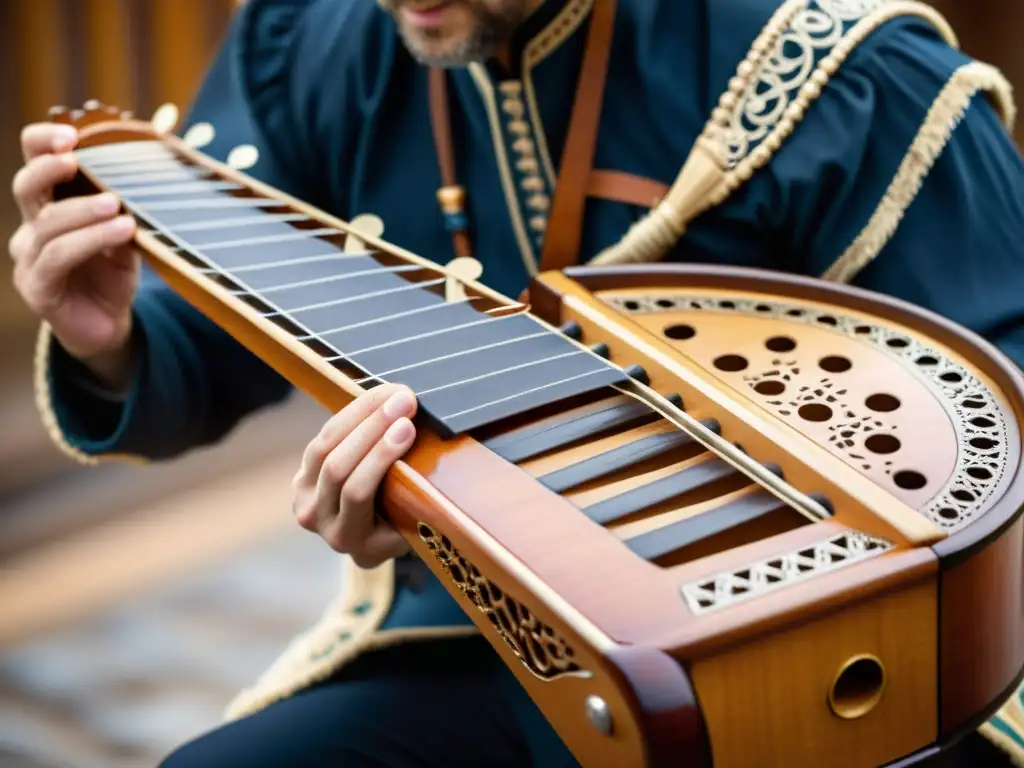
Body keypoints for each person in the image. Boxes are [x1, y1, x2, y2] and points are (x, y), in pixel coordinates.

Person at [9, 0, 1024, 764]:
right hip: (481, 641)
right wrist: (113, 338)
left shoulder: (839, 72)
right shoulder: (324, 38)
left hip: (847, 673)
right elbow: (204, 357)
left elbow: (998, 422)